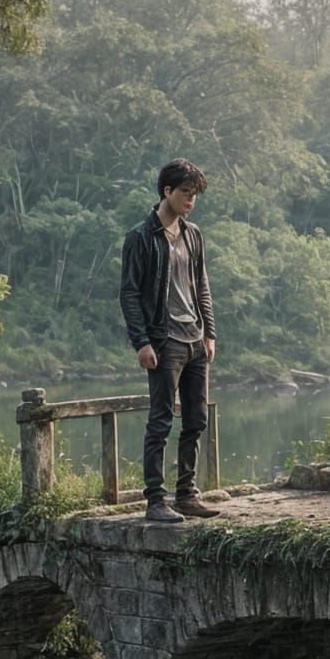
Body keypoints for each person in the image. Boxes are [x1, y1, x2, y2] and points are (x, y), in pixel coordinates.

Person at [120, 159, 220, 524]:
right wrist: (141, 343)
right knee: (161, 420)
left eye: (194, 195)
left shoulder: (193, 234)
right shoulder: (141, 237)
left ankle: (186, 494)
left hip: (194, 340)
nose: (191, 201)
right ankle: (155, 500)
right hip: (164, 341)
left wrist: (209, 331)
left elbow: (202, 286)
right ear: (167, 192)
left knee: (196, 419)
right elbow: (129, 294)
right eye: (186, 193)